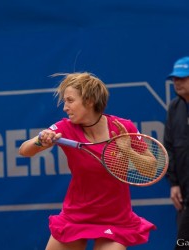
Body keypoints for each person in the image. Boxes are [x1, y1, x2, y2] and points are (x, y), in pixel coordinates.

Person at [19, 72, 156, 250]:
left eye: (70, 100)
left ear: (89, 100)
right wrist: (40, 140)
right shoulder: (64, 128)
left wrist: (128, 150)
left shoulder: (123, 128)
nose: (65, 107)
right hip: (76, 217)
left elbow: (151, 170)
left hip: (116, 220)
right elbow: (24, 150)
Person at [164, 57, 189, 249]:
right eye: (175, 78)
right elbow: (169, 147)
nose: (177, 82)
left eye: (183, 77)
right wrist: (174, 184)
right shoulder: (174, 107)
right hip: (185, 197)